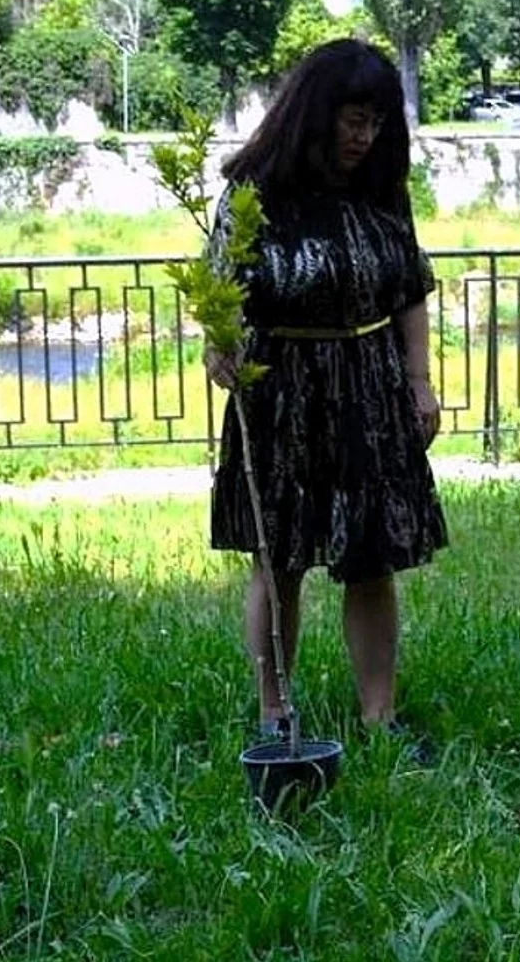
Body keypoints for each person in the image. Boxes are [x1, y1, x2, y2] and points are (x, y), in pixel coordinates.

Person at [202, 37, 448, 755]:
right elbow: (218, 292)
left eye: (375, 123)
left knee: (371, 559)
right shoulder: (254, 193)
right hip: (279, 392)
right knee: (278, 560)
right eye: (351, 120)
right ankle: (275, 714)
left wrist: (419, 381)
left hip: (370, 390)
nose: (362, 137)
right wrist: (220, 347)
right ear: (314, 113)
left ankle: (380, 717)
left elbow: (409, 290)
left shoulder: (382, 191)